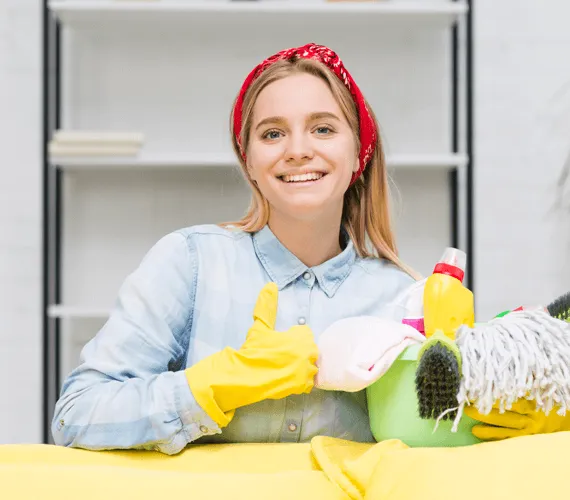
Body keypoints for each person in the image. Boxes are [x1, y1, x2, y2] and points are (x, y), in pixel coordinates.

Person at [51, 43, 420, 456]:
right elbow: (76, 415)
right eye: (273, 134)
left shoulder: (403, 299)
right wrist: (213, 386)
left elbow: (428, 445)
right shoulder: (189, 263)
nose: (298, 150)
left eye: (322, 129)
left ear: (357, 154)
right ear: (249, 162)